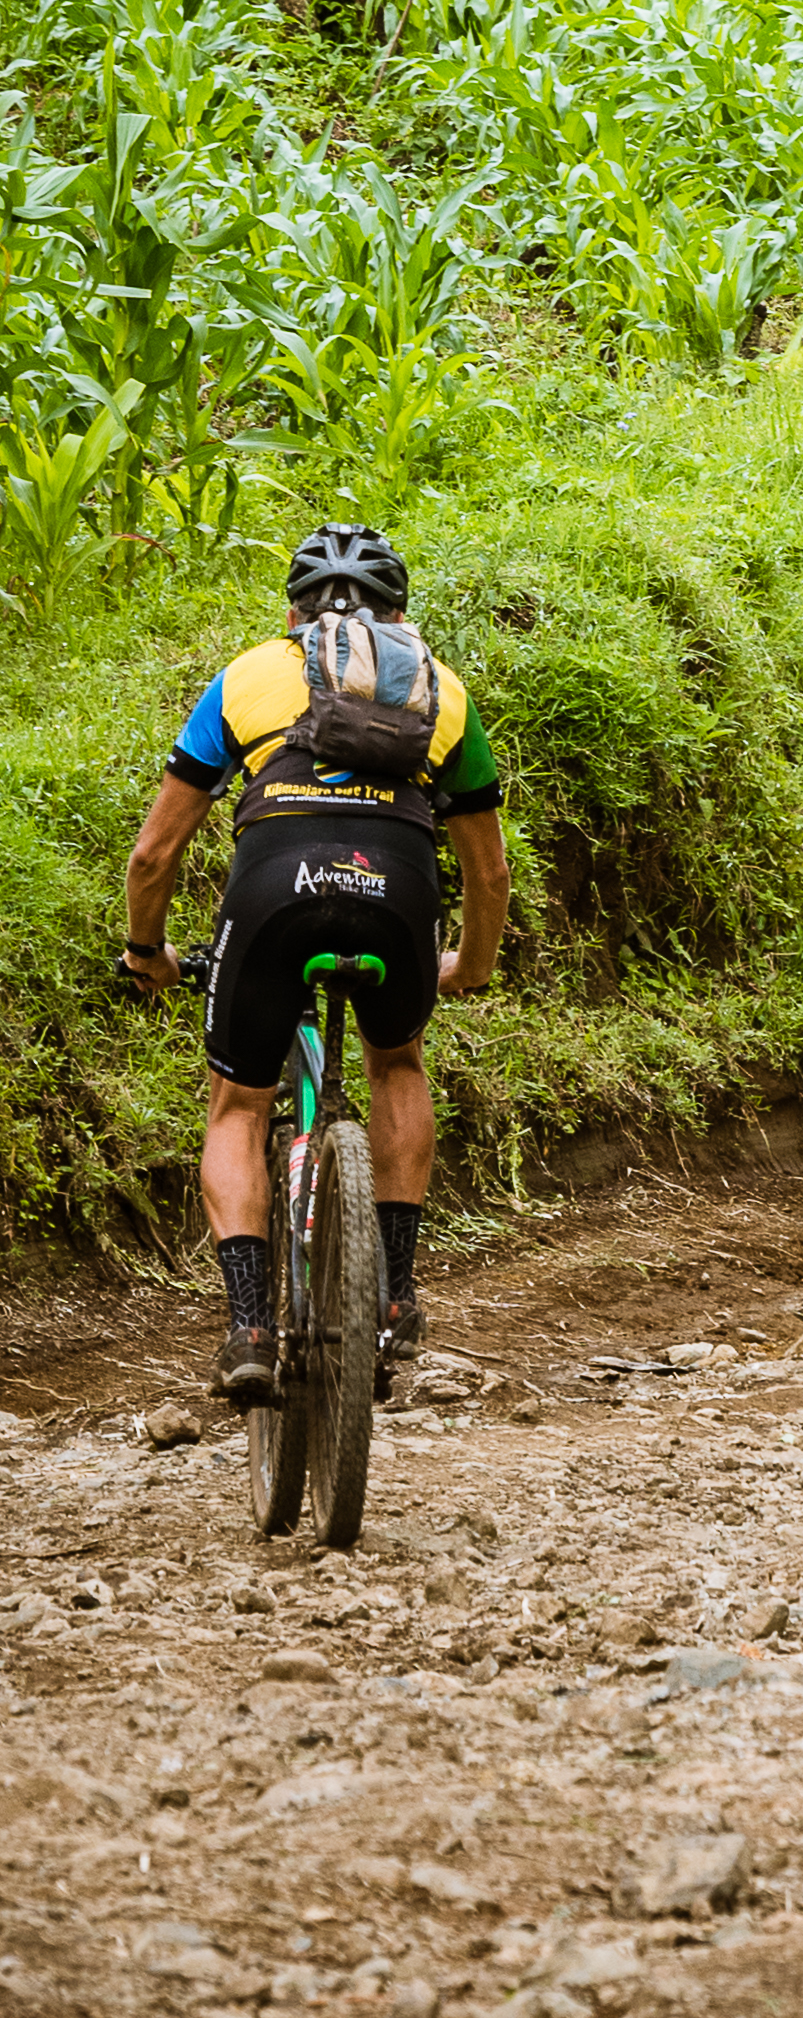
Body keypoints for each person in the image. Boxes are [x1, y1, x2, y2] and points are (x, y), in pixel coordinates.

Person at [116, 521, 509, 1399]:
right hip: (397, 898)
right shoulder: (442, 691)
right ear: (399, 613)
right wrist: (471, 966)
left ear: (292, 612)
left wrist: (149, 952)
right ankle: (397, 1293)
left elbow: (153, 856)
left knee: (237, 1107)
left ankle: (250, 1326)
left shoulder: (245, 678)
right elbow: (488, 869)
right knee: (397, 1060)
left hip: (272, 896)